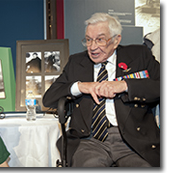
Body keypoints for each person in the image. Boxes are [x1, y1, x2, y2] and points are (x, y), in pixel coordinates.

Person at [43, 13, 160, 167]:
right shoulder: (77, 62)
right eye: (89, 40)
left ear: (116, 40)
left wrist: (126, 85)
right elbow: (48, 99)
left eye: (100, 39)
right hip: (89, 140)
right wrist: (80, 86)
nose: (92, 47)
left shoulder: (139, 56)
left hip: (133, 140)